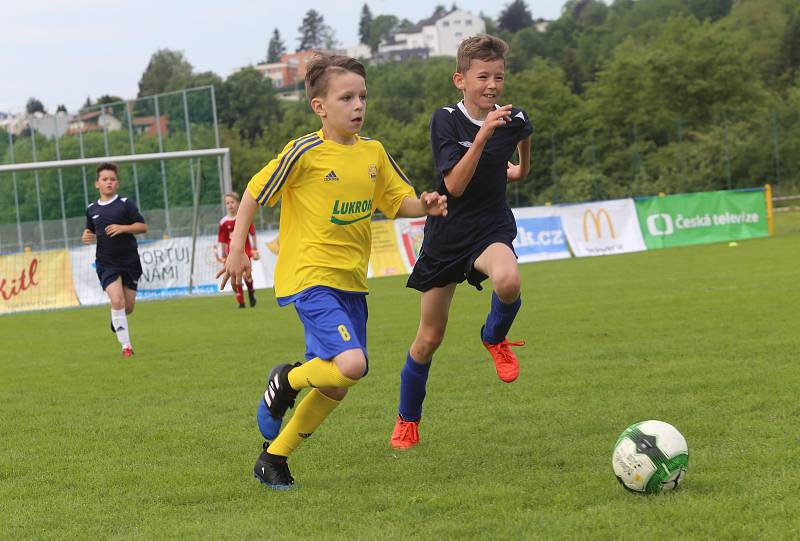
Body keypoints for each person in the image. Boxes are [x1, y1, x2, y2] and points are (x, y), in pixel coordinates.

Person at [218, 53, 448, 490]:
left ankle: (273, 458)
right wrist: (237, 249)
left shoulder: (374, 153)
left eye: (362, 96)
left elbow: (399, 202)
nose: (358, 105)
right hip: (309, 278)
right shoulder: (304, 152)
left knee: (338, 384)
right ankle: (285, 379)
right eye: (346, 97)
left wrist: (427, 206)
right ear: (320, 107)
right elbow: (252, 191)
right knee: (352, 364)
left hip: (351, 284)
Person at [390, 35, 533, 449]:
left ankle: (494, 337)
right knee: (429, 338)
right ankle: (407, 419)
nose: (492, 85)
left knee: (508, 280)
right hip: (447, 235)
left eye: (499, 76)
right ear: (460, 79)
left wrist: (519, 170)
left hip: (490, 230)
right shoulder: (446, 120)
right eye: (483, 76)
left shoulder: (514, 117)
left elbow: (524, 140)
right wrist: (485, 134)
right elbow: (452, 184)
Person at [81, 162, 148, 358]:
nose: (109, 182)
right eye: (105, 179)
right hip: (106, 263)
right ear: (97, 184)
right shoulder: (91, 209)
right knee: (117, 301)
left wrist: (124, 228)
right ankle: (126, 346)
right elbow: (89, 230)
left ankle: (116, 320)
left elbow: (143, 227)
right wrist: (86, 236)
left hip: (130, 261)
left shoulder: (125, 204)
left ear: (117, 183)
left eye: (112, 179)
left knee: (128, 307)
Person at [217, 191, 259, 308]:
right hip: (232, 254)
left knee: (246, 276)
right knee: (235, 276)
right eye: (227, 203)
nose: (230, 205)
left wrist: (255, 248)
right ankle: (241, 302)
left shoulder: (243, 217)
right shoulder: (223, 222)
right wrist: (223, 254)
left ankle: (251, 293)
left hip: (246, 251)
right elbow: (223, 241)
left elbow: (252, 233)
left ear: (238, 203)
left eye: (232, 202)